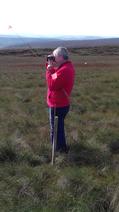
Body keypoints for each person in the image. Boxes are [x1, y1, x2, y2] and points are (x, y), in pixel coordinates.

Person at [46, 47, 75, 153]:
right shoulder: (64, 68)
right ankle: (62, 148)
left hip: (58, 105)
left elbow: (52, 84)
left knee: (56, 130)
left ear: (61, 57)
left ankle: (58, 151)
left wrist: (48, 71)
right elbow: (56, 77)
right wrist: (50, 68)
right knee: (59, 128)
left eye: (55, 56)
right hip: (60, 103)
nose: (53, 58)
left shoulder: (65, 70)